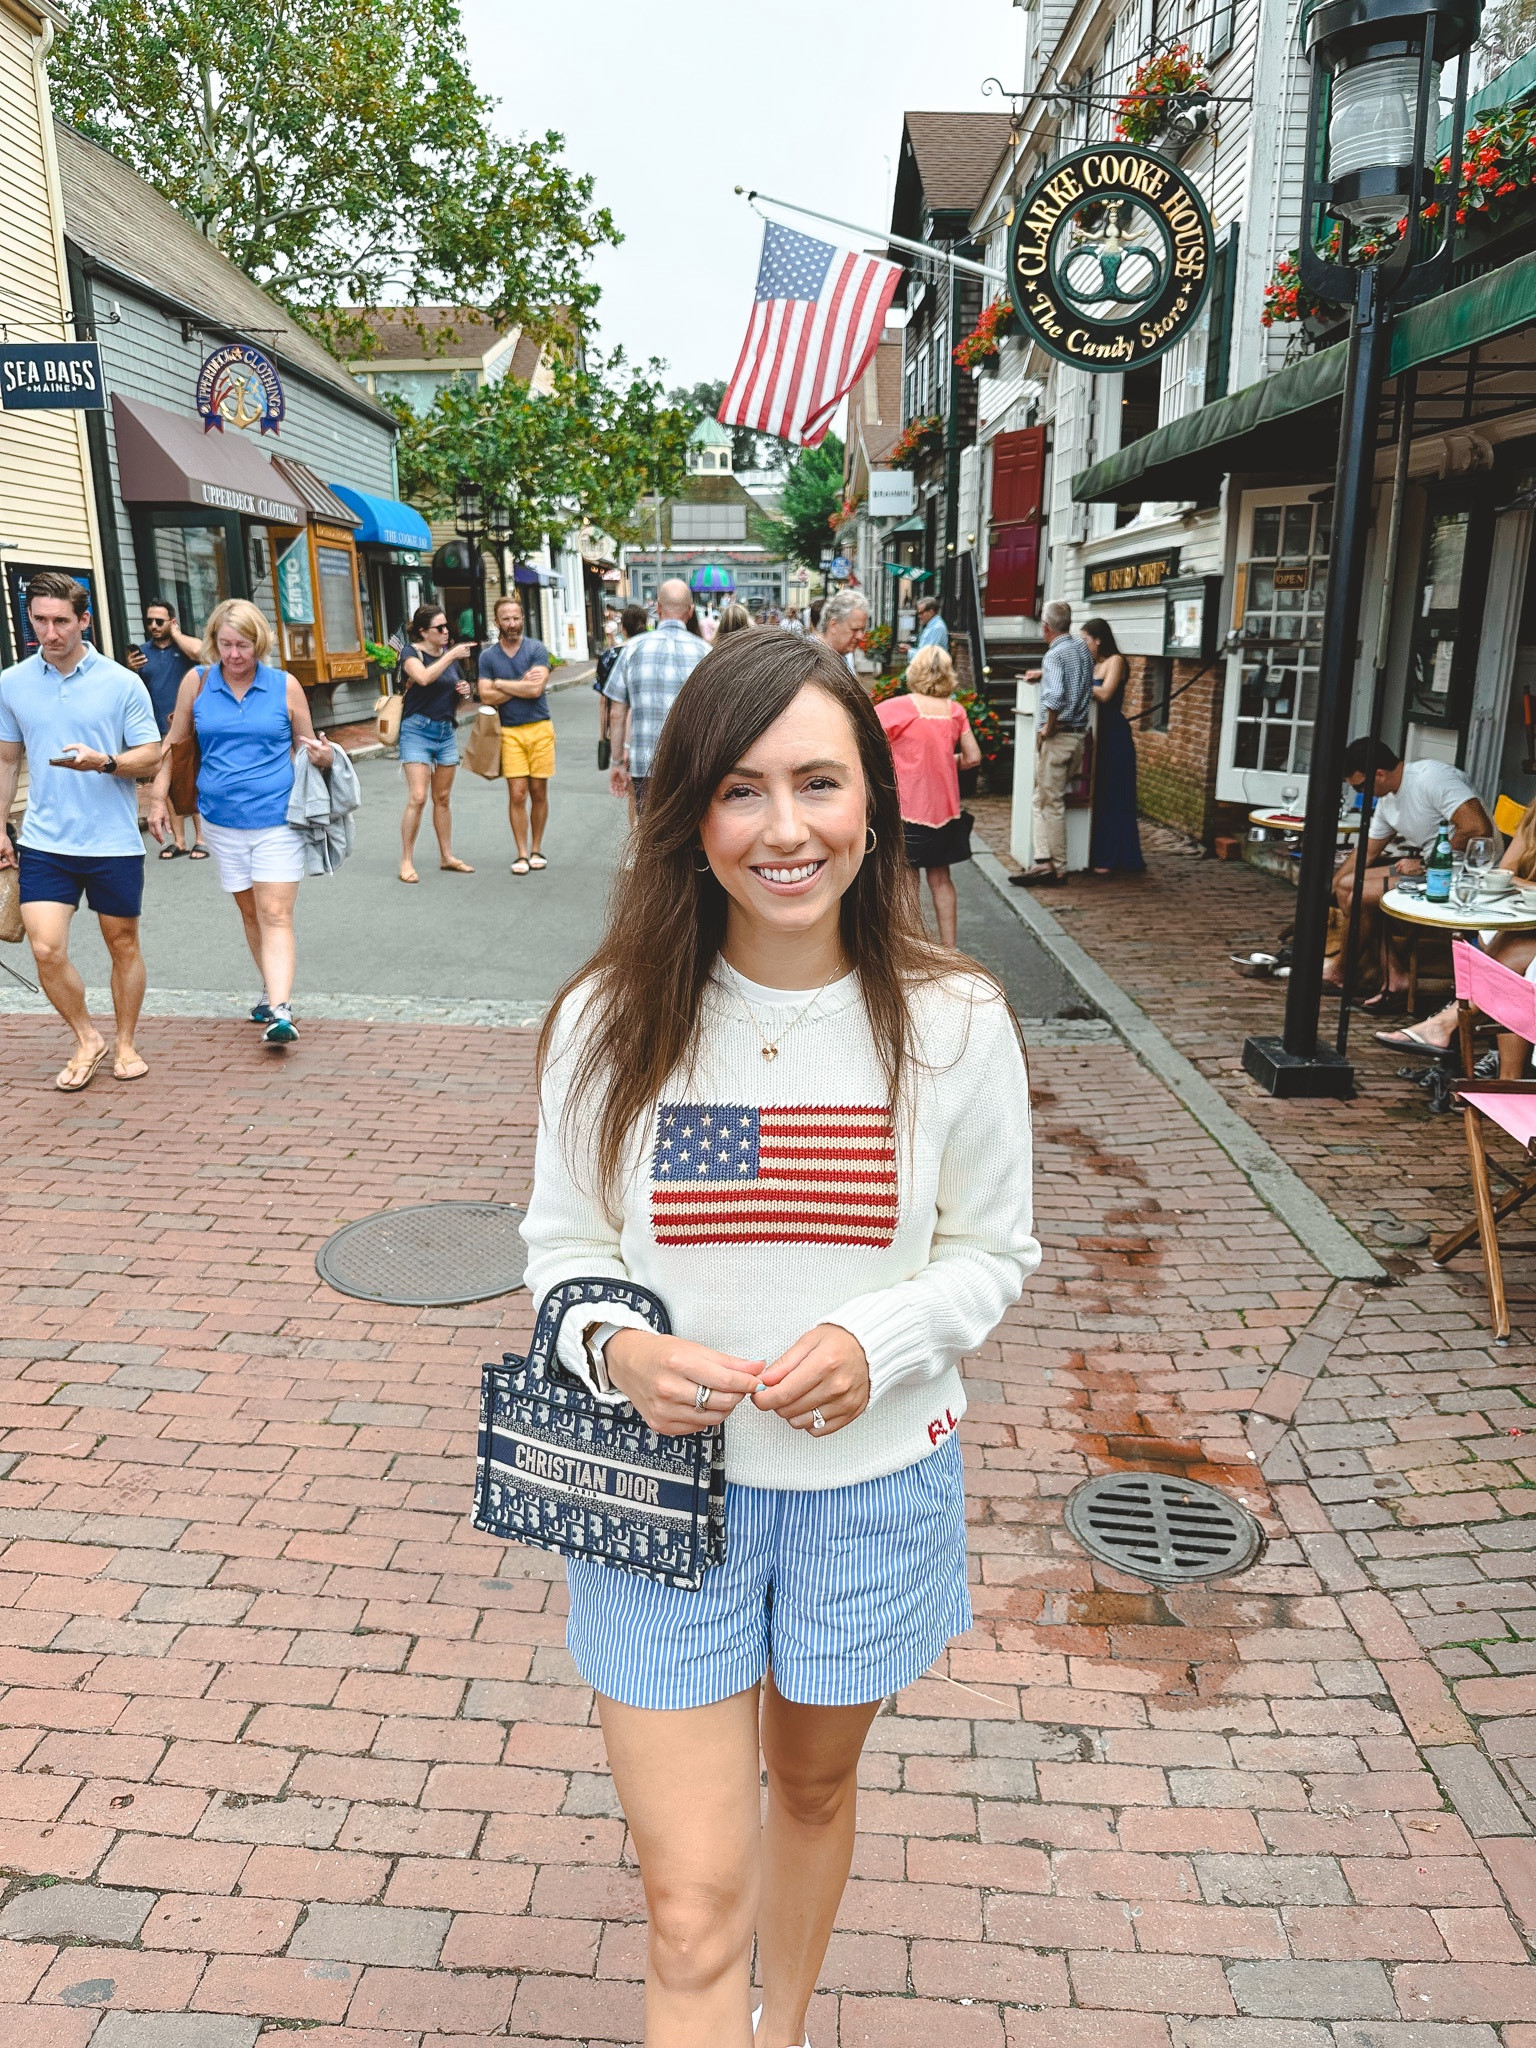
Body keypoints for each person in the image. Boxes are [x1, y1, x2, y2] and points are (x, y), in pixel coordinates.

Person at [520, 628, 1038, 2048]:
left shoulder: (956, 1021)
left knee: (811, 1787)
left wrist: (887, 1335)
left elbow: (993, 1252)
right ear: (691, 816)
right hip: (656, 1497)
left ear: (874, 799)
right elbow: (564, 1248)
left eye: (818, 782)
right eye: (740, 789)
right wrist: (618, 1348)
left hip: (871, 1491)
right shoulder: (610, 1019)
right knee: (691, 1905)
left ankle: (785, 2024)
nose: (785, 828)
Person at [0, 571, 162, 1089]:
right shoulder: (11, 683)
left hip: (112, 841)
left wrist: (106, 762)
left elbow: (152, 756)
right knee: (45, 949)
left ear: (84, 620)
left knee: (123, 945)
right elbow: (6, 760)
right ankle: (87, 1037)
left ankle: (127, 1042)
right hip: (45, 840)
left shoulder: (122, 682)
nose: (50, 632)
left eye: (61, 621)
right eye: (40, 620)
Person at [149, 598, 332, 1046]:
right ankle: (271, 990)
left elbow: (307, 747)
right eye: (226, 644)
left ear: (259, 643)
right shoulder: (197, 681)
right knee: (251, 912)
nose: (234, 655)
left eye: (243, 645)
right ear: (214, 642)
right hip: (221, 821)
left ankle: (281, 1009)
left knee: (275, 912)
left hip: (277, 819)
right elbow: (175, 742)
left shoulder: (284, 685)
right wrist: (157, 798)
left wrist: (325, 758)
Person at [1329, 738, 1496, 1010]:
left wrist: (1427, 863)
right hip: (1429, 868)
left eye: (1360, 787)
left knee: (1360, 894)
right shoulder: (1389, 799)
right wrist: (1330, 888)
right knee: (1347, 886)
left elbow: (1478, 828)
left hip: (1465, 873)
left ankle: (1342, 970)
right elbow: (1366, 853)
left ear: (1379, 774)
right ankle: (1394, 976)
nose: (1360, 793)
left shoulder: (1431, 778)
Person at [877, 645, 981, 950]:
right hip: (944, 809)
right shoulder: (955, 711)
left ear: (915, 672)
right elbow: (973, 757)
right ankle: (950, 948)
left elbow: (869, 745)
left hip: (906, 807)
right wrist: (948, 761)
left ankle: (913, 948)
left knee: (907, 880)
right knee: (941, 878)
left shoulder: (895, 709)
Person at [604, 577, 708, 815]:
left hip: (645, 765)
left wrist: (617, 761)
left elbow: (616, 713)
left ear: (658, 609)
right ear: (690, 611)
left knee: (650, 831)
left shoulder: (632, 649)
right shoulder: (705, 653)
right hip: (689, 766)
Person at [1012, 598, 1094, 889]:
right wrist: (1043, 674)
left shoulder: (1054, 656)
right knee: (1043, 798)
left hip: (1059, 738)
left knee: (1051, 802)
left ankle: (1057, 868)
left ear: (1046, 626)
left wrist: (1048, 726)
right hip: (1079, 736)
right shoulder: (1081, 648)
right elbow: (1075, 677)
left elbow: (1056, 696)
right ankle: (1043, 859)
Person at [395, 604, 475, 884]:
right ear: (422, 631)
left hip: (445, 732)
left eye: (446, 627)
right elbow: (424, 678)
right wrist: (452, 654)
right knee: (418, 797)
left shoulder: (449, 658)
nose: (445, 632)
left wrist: (464, 692)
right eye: (439, 628)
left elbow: (452, 697)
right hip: (416, 730)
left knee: (442, 798)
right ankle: (406, 860)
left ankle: (447, 856)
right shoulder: (411, 653)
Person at [477, 595, 554, 876]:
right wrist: (519, 683)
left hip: (539, 727)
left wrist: (500, 684)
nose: (512, 623)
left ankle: (536, 848)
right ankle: (521, 852)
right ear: (496, 621)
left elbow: (535, 690)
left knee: (539, 791)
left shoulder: (536, 649)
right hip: (508, 731)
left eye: (516, 618)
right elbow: (485, 696)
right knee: (518, 793)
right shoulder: (488, 657)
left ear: (522, 618)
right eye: (506, 619)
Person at [126, 599, 204, 859]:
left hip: (189, 725)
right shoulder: (142, 653)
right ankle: (179, 841)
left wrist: (176, 633)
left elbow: (200, 652)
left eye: (159, 621)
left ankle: (201, 839)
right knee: (167, 783)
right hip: (158, 726)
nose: (153, 626)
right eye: (149, 621)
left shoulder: (184, 648)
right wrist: (131, 669)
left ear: (171, 622)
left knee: (191, 779)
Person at [1081, 617, 1145, 877]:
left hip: (1113, 734)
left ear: (1098, 640)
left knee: (1113, 794)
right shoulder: (1092, 664)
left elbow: (1106, 693)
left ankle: (1114, 855)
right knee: (1097, 793)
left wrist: (1080, 685)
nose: (1082, 644)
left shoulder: (1116, 661)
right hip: (1096, 732)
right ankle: (1094, 850)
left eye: (1085, 639)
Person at [596, 604, 647, 765]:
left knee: (623, 772)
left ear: (623, 628)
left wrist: (603, 736)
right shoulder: (651, 651)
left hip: (620, 727)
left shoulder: (610, 656)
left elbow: (605, 702)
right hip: (646, 725)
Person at [815, 590, 869, 672]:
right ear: (833, 625)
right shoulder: (812, 661)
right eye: (855, 629)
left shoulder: (845, 656)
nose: (860, 636)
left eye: (863, 630)